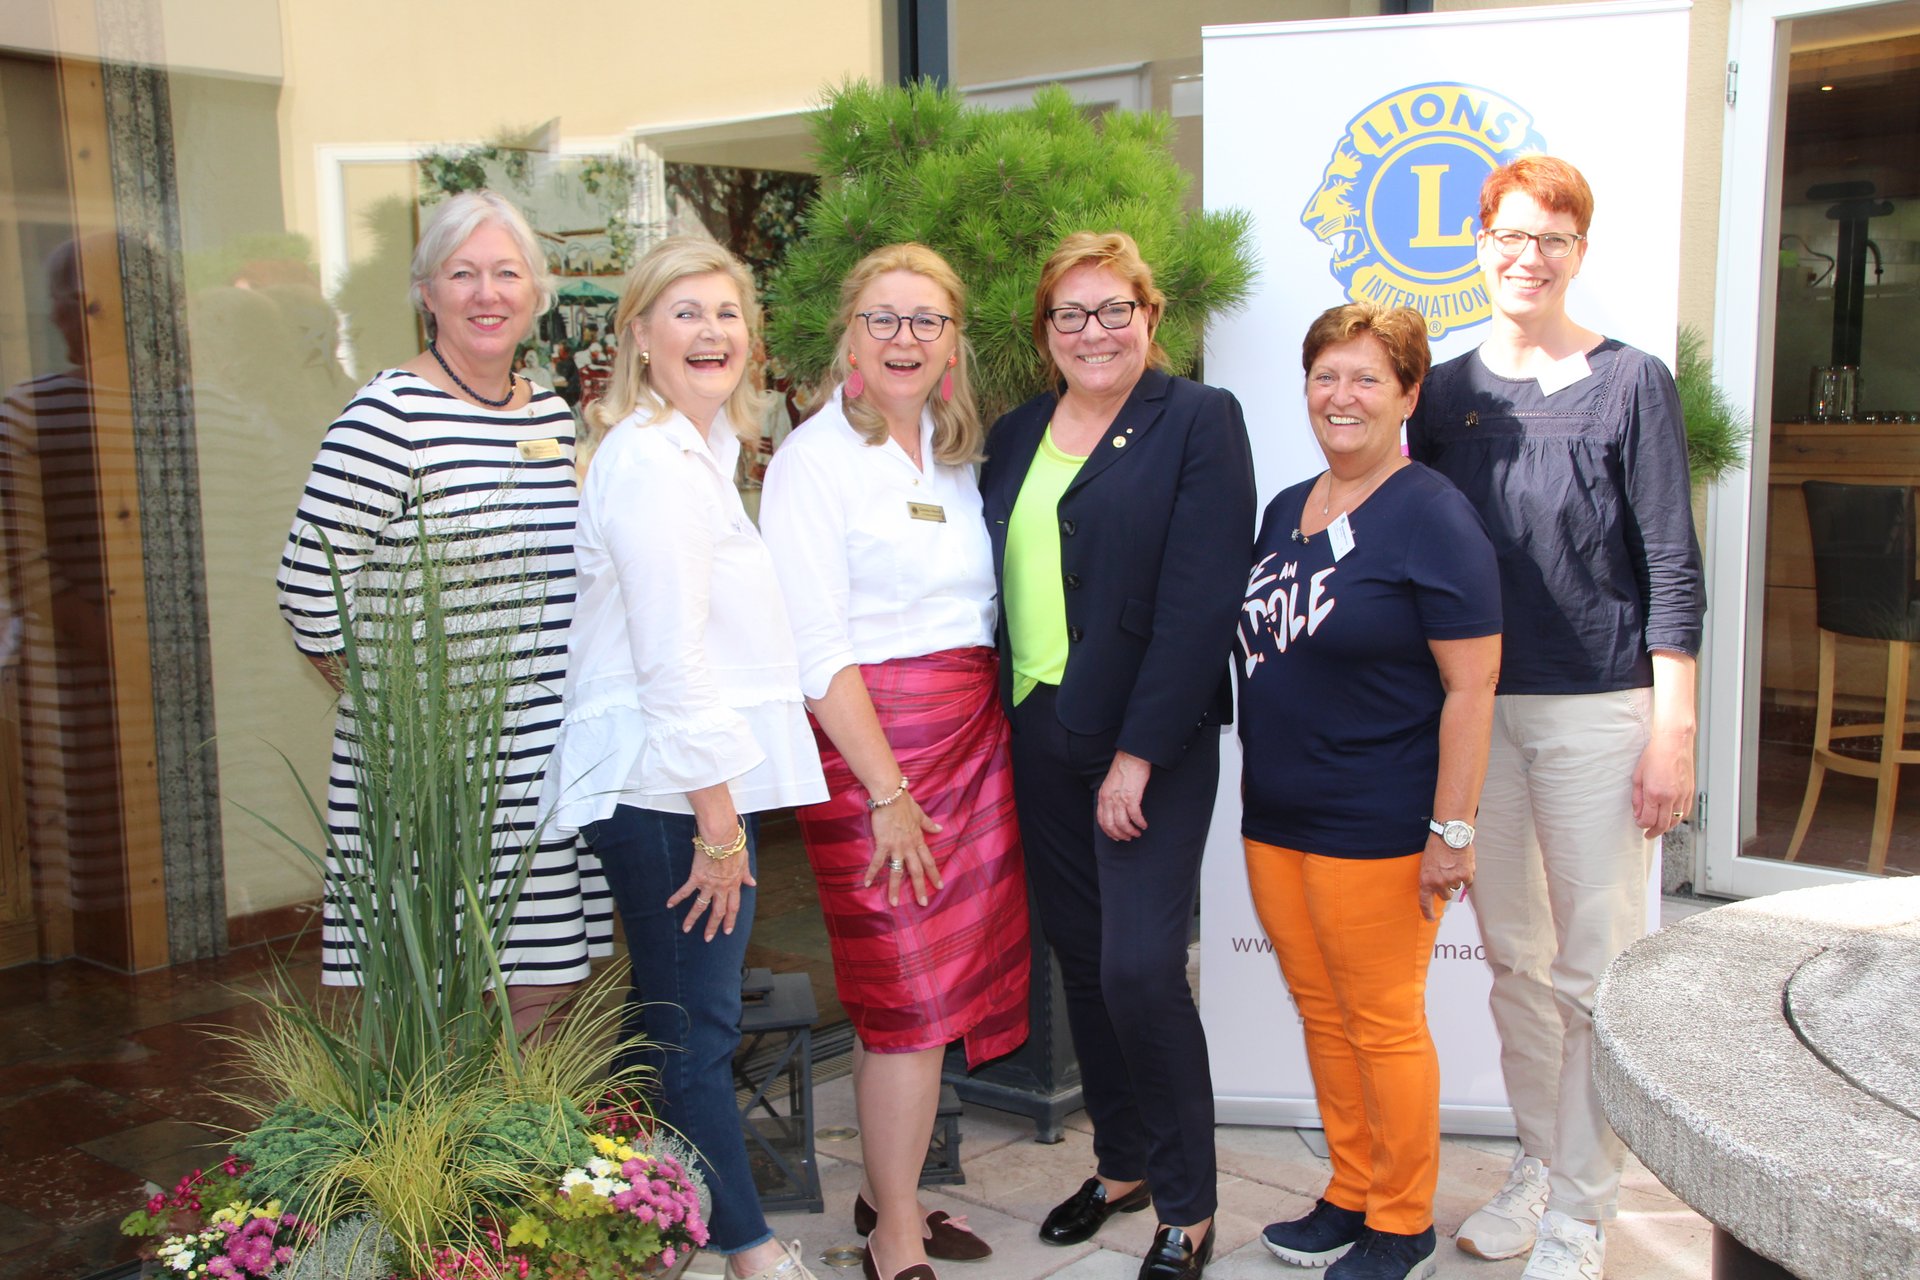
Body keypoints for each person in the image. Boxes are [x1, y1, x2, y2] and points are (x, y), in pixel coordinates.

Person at [1407, 156, 1705, 1280]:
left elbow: (1671, 564)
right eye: (1511, 234)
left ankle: (1584, 1209)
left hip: (1600, 712)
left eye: (1553, 238)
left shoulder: (1632, 383)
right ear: (1479, 243)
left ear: (1580, 251)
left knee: (1594, 973)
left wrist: (1672, 729)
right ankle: (1539, 1162)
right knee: (1518, 965)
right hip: (1482, 715)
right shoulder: (1442, 395)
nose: (1528, 256)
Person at [540, 236, 827, 1280]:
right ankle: (748, 1249)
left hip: (685, 783)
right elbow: (671, 656)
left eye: (728, 313)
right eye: (685, 312)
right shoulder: (652, 462)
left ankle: (645, 1217)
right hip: (669, 792)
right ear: (638, 337)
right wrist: (719, 822)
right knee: (694, 1029)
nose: (712, 332)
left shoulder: (697, 455)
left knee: (674, 1018)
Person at [979, 231, 1255, 1280]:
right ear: (1045, 331)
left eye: (1113, 310)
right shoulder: (1015, 433)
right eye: (1070, 314)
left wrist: (1138, 754)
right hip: (1039, 728)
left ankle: (1188, 1204)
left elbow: (1200, 603)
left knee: (1141, 966)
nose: (1092, 332)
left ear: (1151, 317)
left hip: (1151, 738)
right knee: (1086, 962)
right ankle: (1123, 1162)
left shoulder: (1198, 419)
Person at [275, 190, 609, 1036]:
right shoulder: (387, 416)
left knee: (542, 985)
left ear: (536, 291)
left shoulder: (550, 413)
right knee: (439, 998)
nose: (486, 294)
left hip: (542, 758)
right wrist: (395, 716)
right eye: (462, 274)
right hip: (434, 773)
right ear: (426, 293)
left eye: (506, 273)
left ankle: (525, 1128)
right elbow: (309, 589)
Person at [760, 243, 1030, 1280]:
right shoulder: (814, 461)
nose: (904, 338)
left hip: (970, 744)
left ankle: (892, 1193)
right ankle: (894, 1236)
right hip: (869, 756)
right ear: (851, 336)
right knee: (907, 1001)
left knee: (933, 994)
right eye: (884, 318)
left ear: (953, 342)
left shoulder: (957, 458)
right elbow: (813, 645)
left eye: (927, 320)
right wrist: (887, 791)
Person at [1240, 304, 1501, 1280]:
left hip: (1379, 819)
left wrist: (1452, 829)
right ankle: (1351, 1188)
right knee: (1322, 1010)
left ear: (1408, 395)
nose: (1341, 396)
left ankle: (1403, 1219)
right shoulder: (1285, 507)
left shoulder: (1432, 513)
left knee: (1384, 1021)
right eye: (1326, 376)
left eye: (1365, 378)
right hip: (1276, 815)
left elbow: (1473, 685)